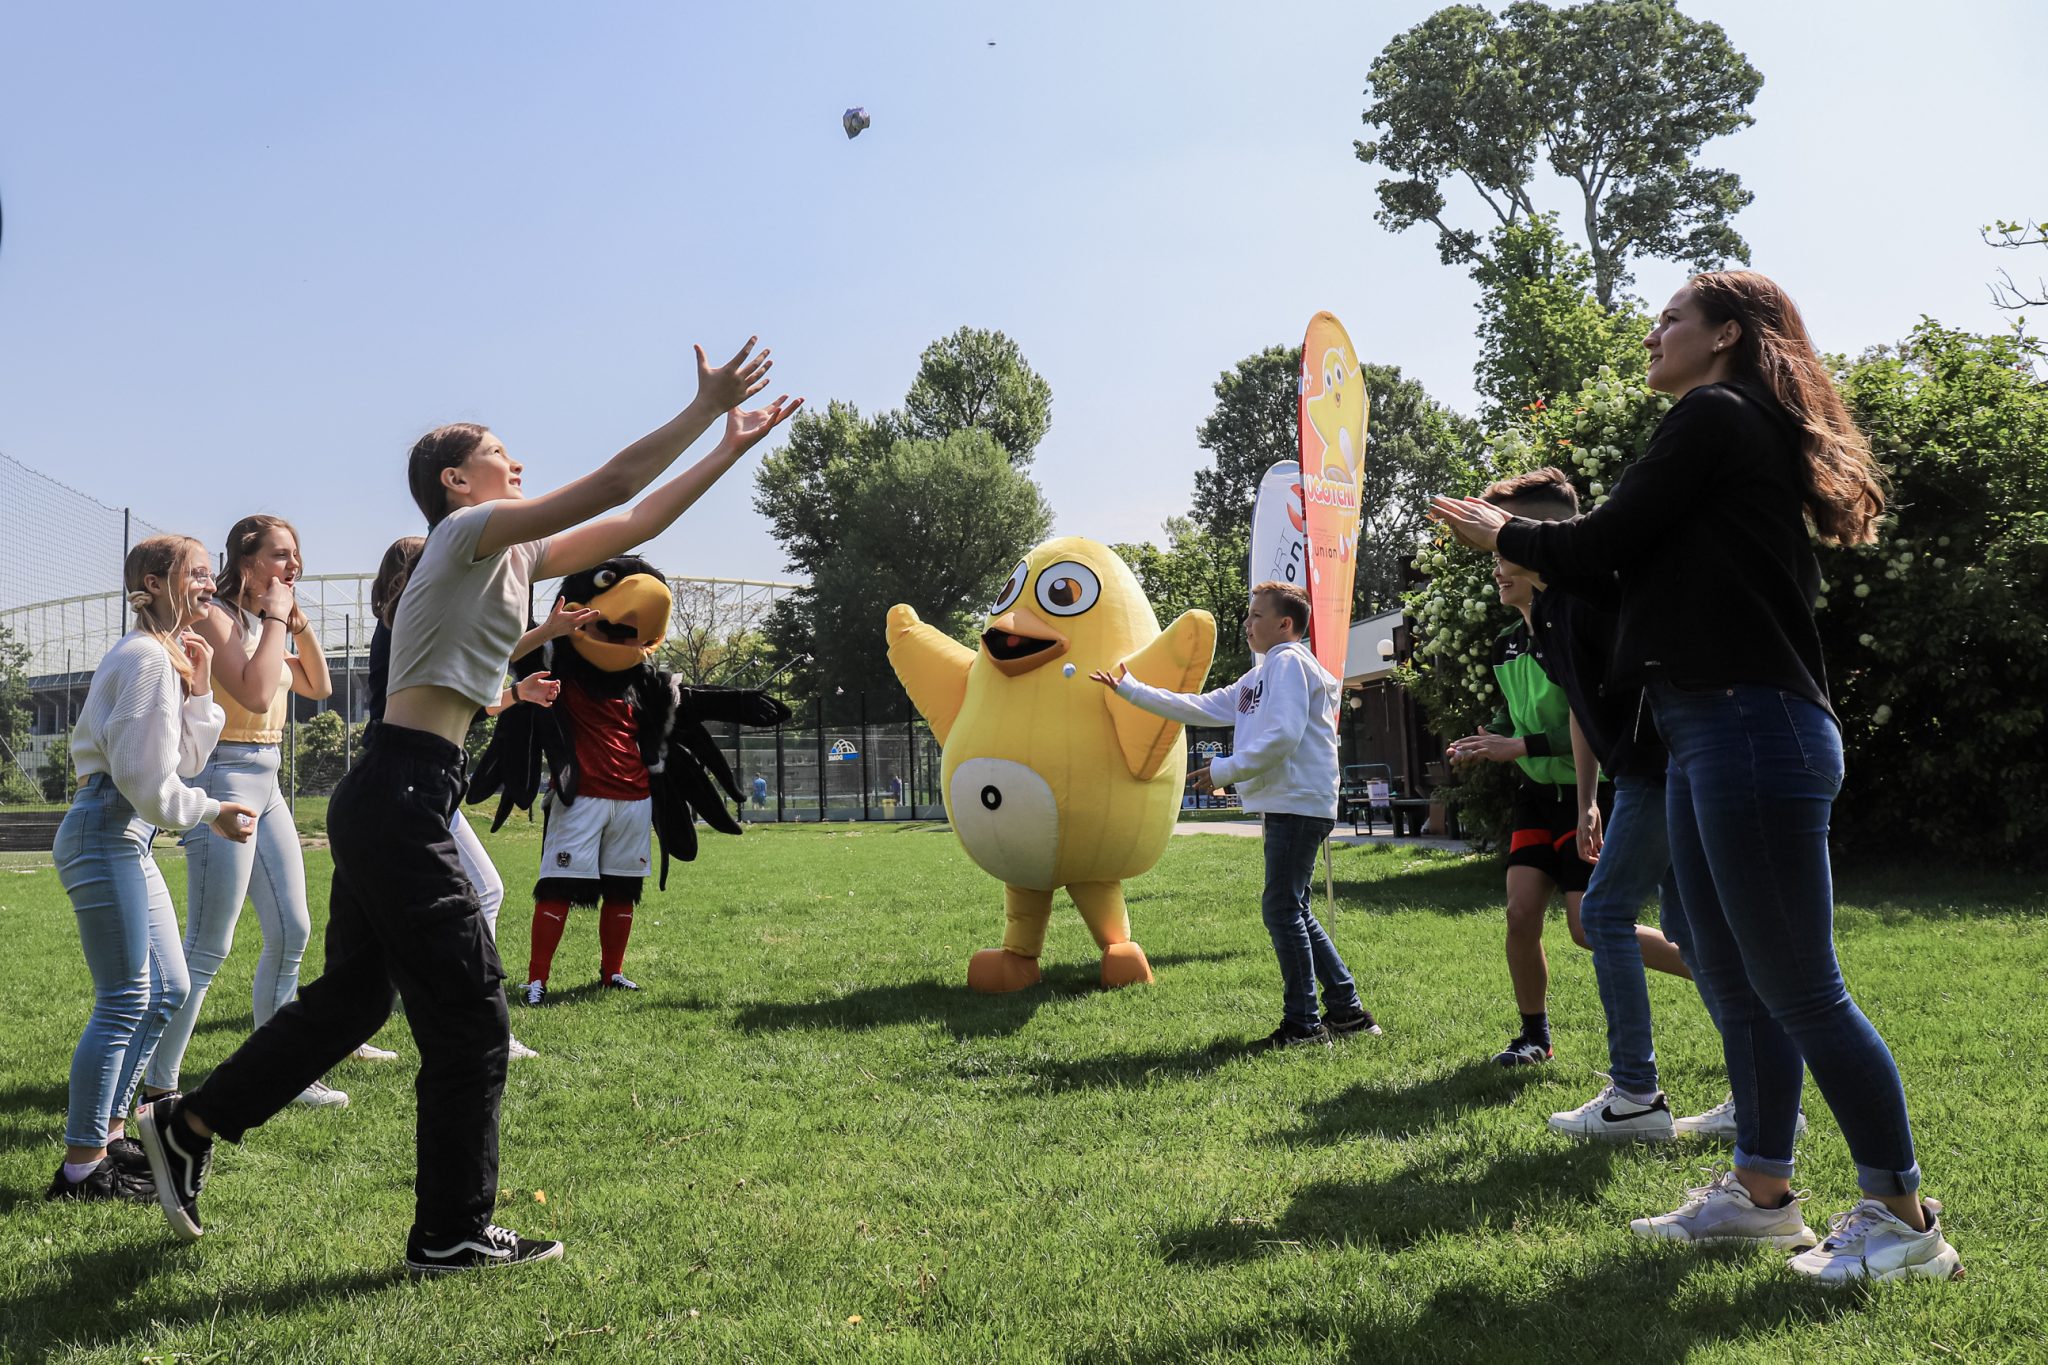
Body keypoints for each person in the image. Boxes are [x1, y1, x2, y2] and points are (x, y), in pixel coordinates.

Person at [138, 338, 800, 1275]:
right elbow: (612, 481)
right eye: (499, 451)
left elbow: (633, 514)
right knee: (473, 1016)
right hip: (403, 791)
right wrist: (701, 409)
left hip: (403, 789)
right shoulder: (460, 535)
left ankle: (189, 1122)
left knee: (354, 1001)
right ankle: (450, 1230)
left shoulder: (509, 554)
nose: (516, 459)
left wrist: (728, 448)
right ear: (455, 480)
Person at [1431, 270, 1960, 1283]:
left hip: (1748, 726)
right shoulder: (1728, 431)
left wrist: (1503, 533)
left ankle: (1902, 1218)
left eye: (1669, 318)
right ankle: (1761, 1196)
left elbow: (1599, 541)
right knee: (1731, 976)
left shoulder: (1716, 414)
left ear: (1724, 335)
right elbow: (1620, 570)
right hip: (1705, 731)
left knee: (1802, 988)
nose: (1649, 333)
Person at [49, 536, 255, 1203]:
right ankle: (82, 1167)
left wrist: (199, 693)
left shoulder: (163, 659)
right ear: (152, 579)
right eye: (197, 573)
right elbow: (144, 782)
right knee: (124, 999)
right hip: (105, 827)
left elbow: (178, 765)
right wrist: (213, 810)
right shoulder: (141, 657)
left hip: (127, 834)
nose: (209, 583)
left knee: (166, 988)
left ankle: (111, 1137)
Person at [1094, 581, 1378, 1047]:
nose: (1247, 623)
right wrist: (1130, 689)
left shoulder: (1288, 663)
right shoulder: (1259, 676)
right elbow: (1199, 707)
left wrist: (1225, 770)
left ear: (1285, 624)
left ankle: (1305, 1025)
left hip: (1297, 802)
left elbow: (1284, 735)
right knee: (1293, 908)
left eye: (1256, 616)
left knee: (1283, 909)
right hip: (1291, 802)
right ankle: (1347, 1013)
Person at [142, 516, 359, 1115]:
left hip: (268, 779)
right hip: (224, 775)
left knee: (293, 929)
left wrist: (295, 620)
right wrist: (272, 620)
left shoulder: (268, 627)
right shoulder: (215, 615)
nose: (294, 566)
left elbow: (317, 685)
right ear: (246, 561)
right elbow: (259, 693)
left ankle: (281, 1069)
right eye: (281, 555)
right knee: (210, 944)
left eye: (297, 555)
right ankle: (159, 1079)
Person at [365, 535, 581, 1060]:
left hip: (414, 782)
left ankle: (350, 1030)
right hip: (409, 781)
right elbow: (484, 659)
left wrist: (520, 688)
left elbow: (470, 689)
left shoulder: (409, 627)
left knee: (380, 922)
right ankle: (480, 1024)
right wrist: (542, 636)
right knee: (482, 892)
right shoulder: (404, 625)